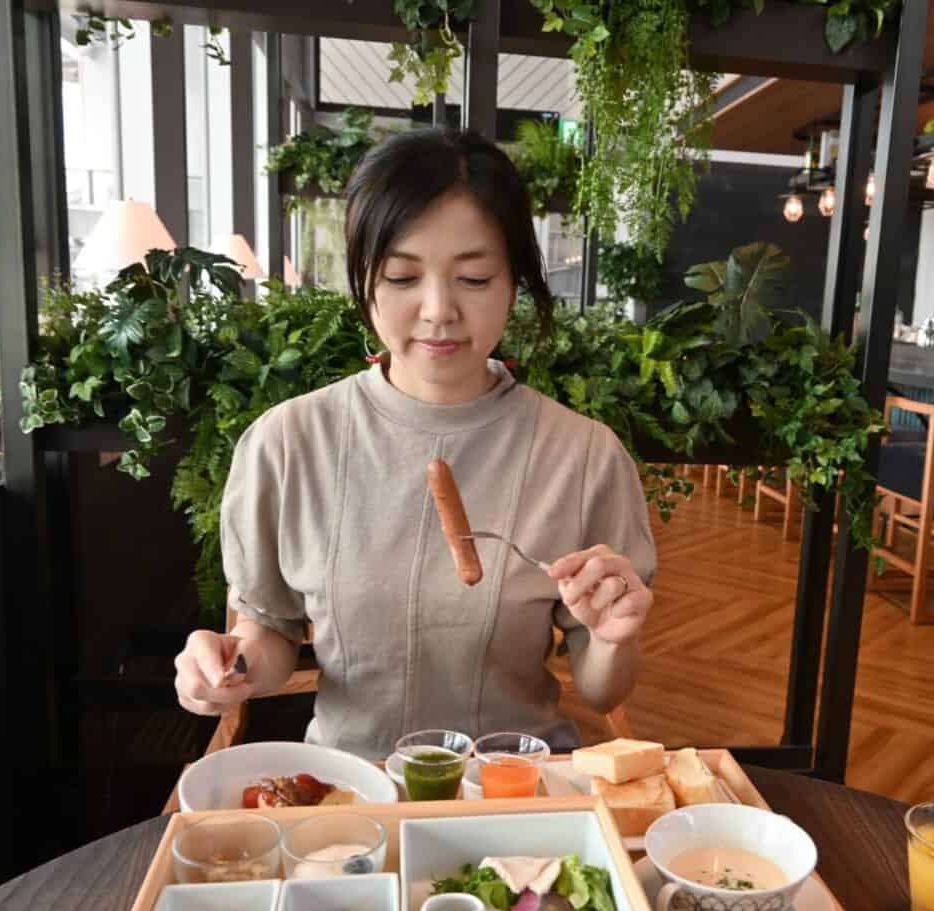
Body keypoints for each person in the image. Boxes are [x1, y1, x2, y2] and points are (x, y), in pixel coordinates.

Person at [170, 128, 657, 759]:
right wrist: (228, 668)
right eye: (401, 277)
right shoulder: (287, 444)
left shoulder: (584, 457)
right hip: (351, 789)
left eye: (474, 278)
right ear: (364, 282)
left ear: (515, 282)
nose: (437, 310)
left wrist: (614, 638)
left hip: (514, 788)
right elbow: (270, 630)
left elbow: (601, 689)